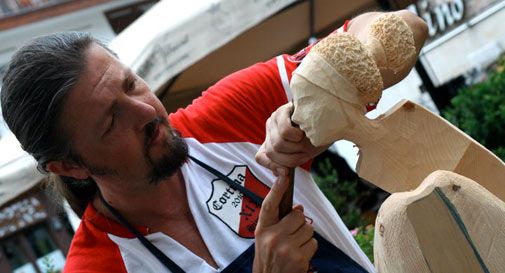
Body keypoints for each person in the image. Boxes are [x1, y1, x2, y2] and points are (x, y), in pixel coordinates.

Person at [1, 9, 427, 273]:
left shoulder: (222, 120)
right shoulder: (98, 267)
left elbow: (405, 26)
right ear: (69, 166)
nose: (147, 112)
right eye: (111, 121)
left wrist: (319, 105)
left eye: (131, 85)